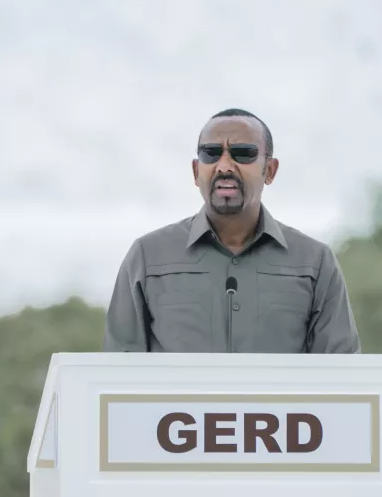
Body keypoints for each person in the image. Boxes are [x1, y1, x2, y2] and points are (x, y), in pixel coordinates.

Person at [102, 108, 361, 354]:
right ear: (195, 171)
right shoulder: (148, 258)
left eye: (243, 153)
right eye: (211, 153)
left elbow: (342, 381)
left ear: (269, 170)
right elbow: (117, 376)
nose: (224, 166)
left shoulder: (315, 263)